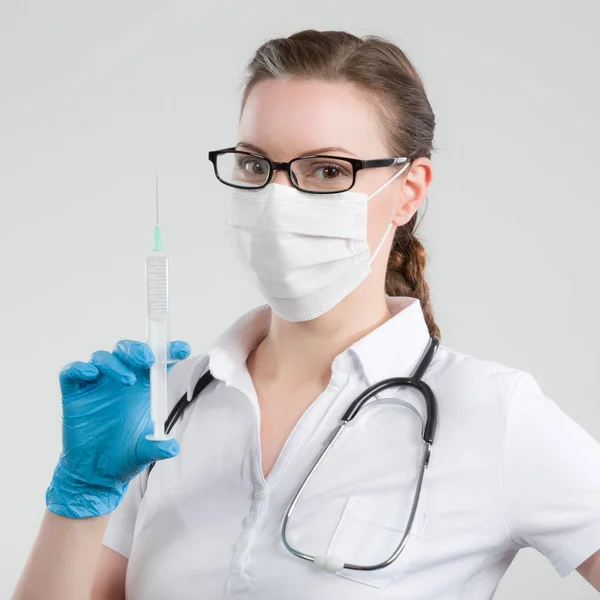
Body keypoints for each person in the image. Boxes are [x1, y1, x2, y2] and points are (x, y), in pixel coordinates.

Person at [12, 29, 600, 600]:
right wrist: (80, 496)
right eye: (255, 165)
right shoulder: (165, 404)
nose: (278, 200)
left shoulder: (490, 414)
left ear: (409, 189)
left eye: (327, 170)